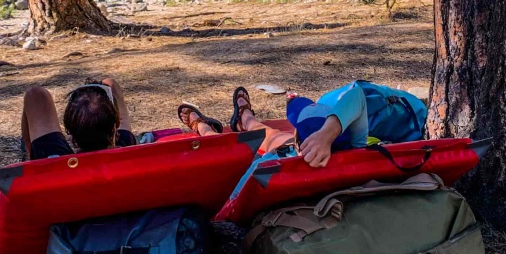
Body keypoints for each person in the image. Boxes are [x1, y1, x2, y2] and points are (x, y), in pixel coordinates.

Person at [178, 83, 425, 168]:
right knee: (273, 137)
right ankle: (246, 120)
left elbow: (357, 94)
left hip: (375, 118)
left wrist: (326, 135)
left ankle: (205, 127)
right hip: (342, 120)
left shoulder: (352, 140)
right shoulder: (356, 143)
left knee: (274, 138)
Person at [20, 78, 136, 160]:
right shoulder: (133, 156)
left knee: (36, 95)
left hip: (65, 171)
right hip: (120, 162)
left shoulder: (54, 166)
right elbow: (111, 84)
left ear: (69, 130)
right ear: (117, 123)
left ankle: (33, 158)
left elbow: (33, 94)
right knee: (110, 84)